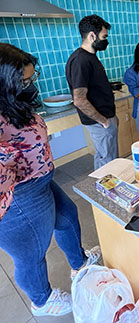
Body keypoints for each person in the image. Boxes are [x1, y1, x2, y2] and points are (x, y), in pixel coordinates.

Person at [0, 43, 101, 317]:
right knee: (31, 254)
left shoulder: (13, 106)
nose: (32, 85)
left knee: (67, 216)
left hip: (40, 181)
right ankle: (42, 300)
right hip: (18, 198)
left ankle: (79, 263)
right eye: (25, 81)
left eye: (33, 78)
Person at [66, 14, 118, 170]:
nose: (106, 40)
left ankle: (106, 189)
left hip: (105, 118)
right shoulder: (80, 61)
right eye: (104, 37)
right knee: (107, 161)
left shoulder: (89, 57)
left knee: (106, 157)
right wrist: (104, 121)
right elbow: (79, 100)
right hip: (100, 123)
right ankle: (106, 193)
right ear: (91, 36)